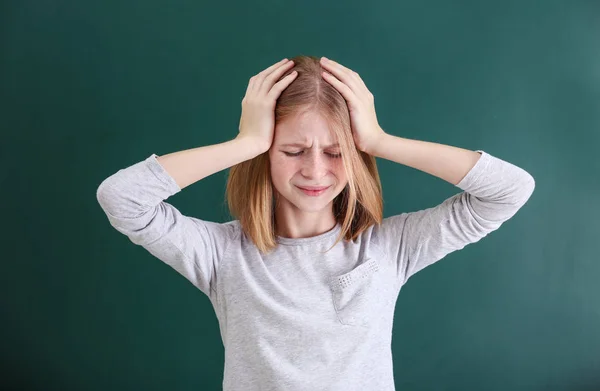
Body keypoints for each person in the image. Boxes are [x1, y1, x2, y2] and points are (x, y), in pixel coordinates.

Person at [96, 56, 535, 391]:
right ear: (265, 155)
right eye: (291, 151)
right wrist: (245, 142)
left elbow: (509, 189)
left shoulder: (388, 247)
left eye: (335, 152)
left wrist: (379, 140)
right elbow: (122, 198)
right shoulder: (222, 254)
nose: (315, 170)